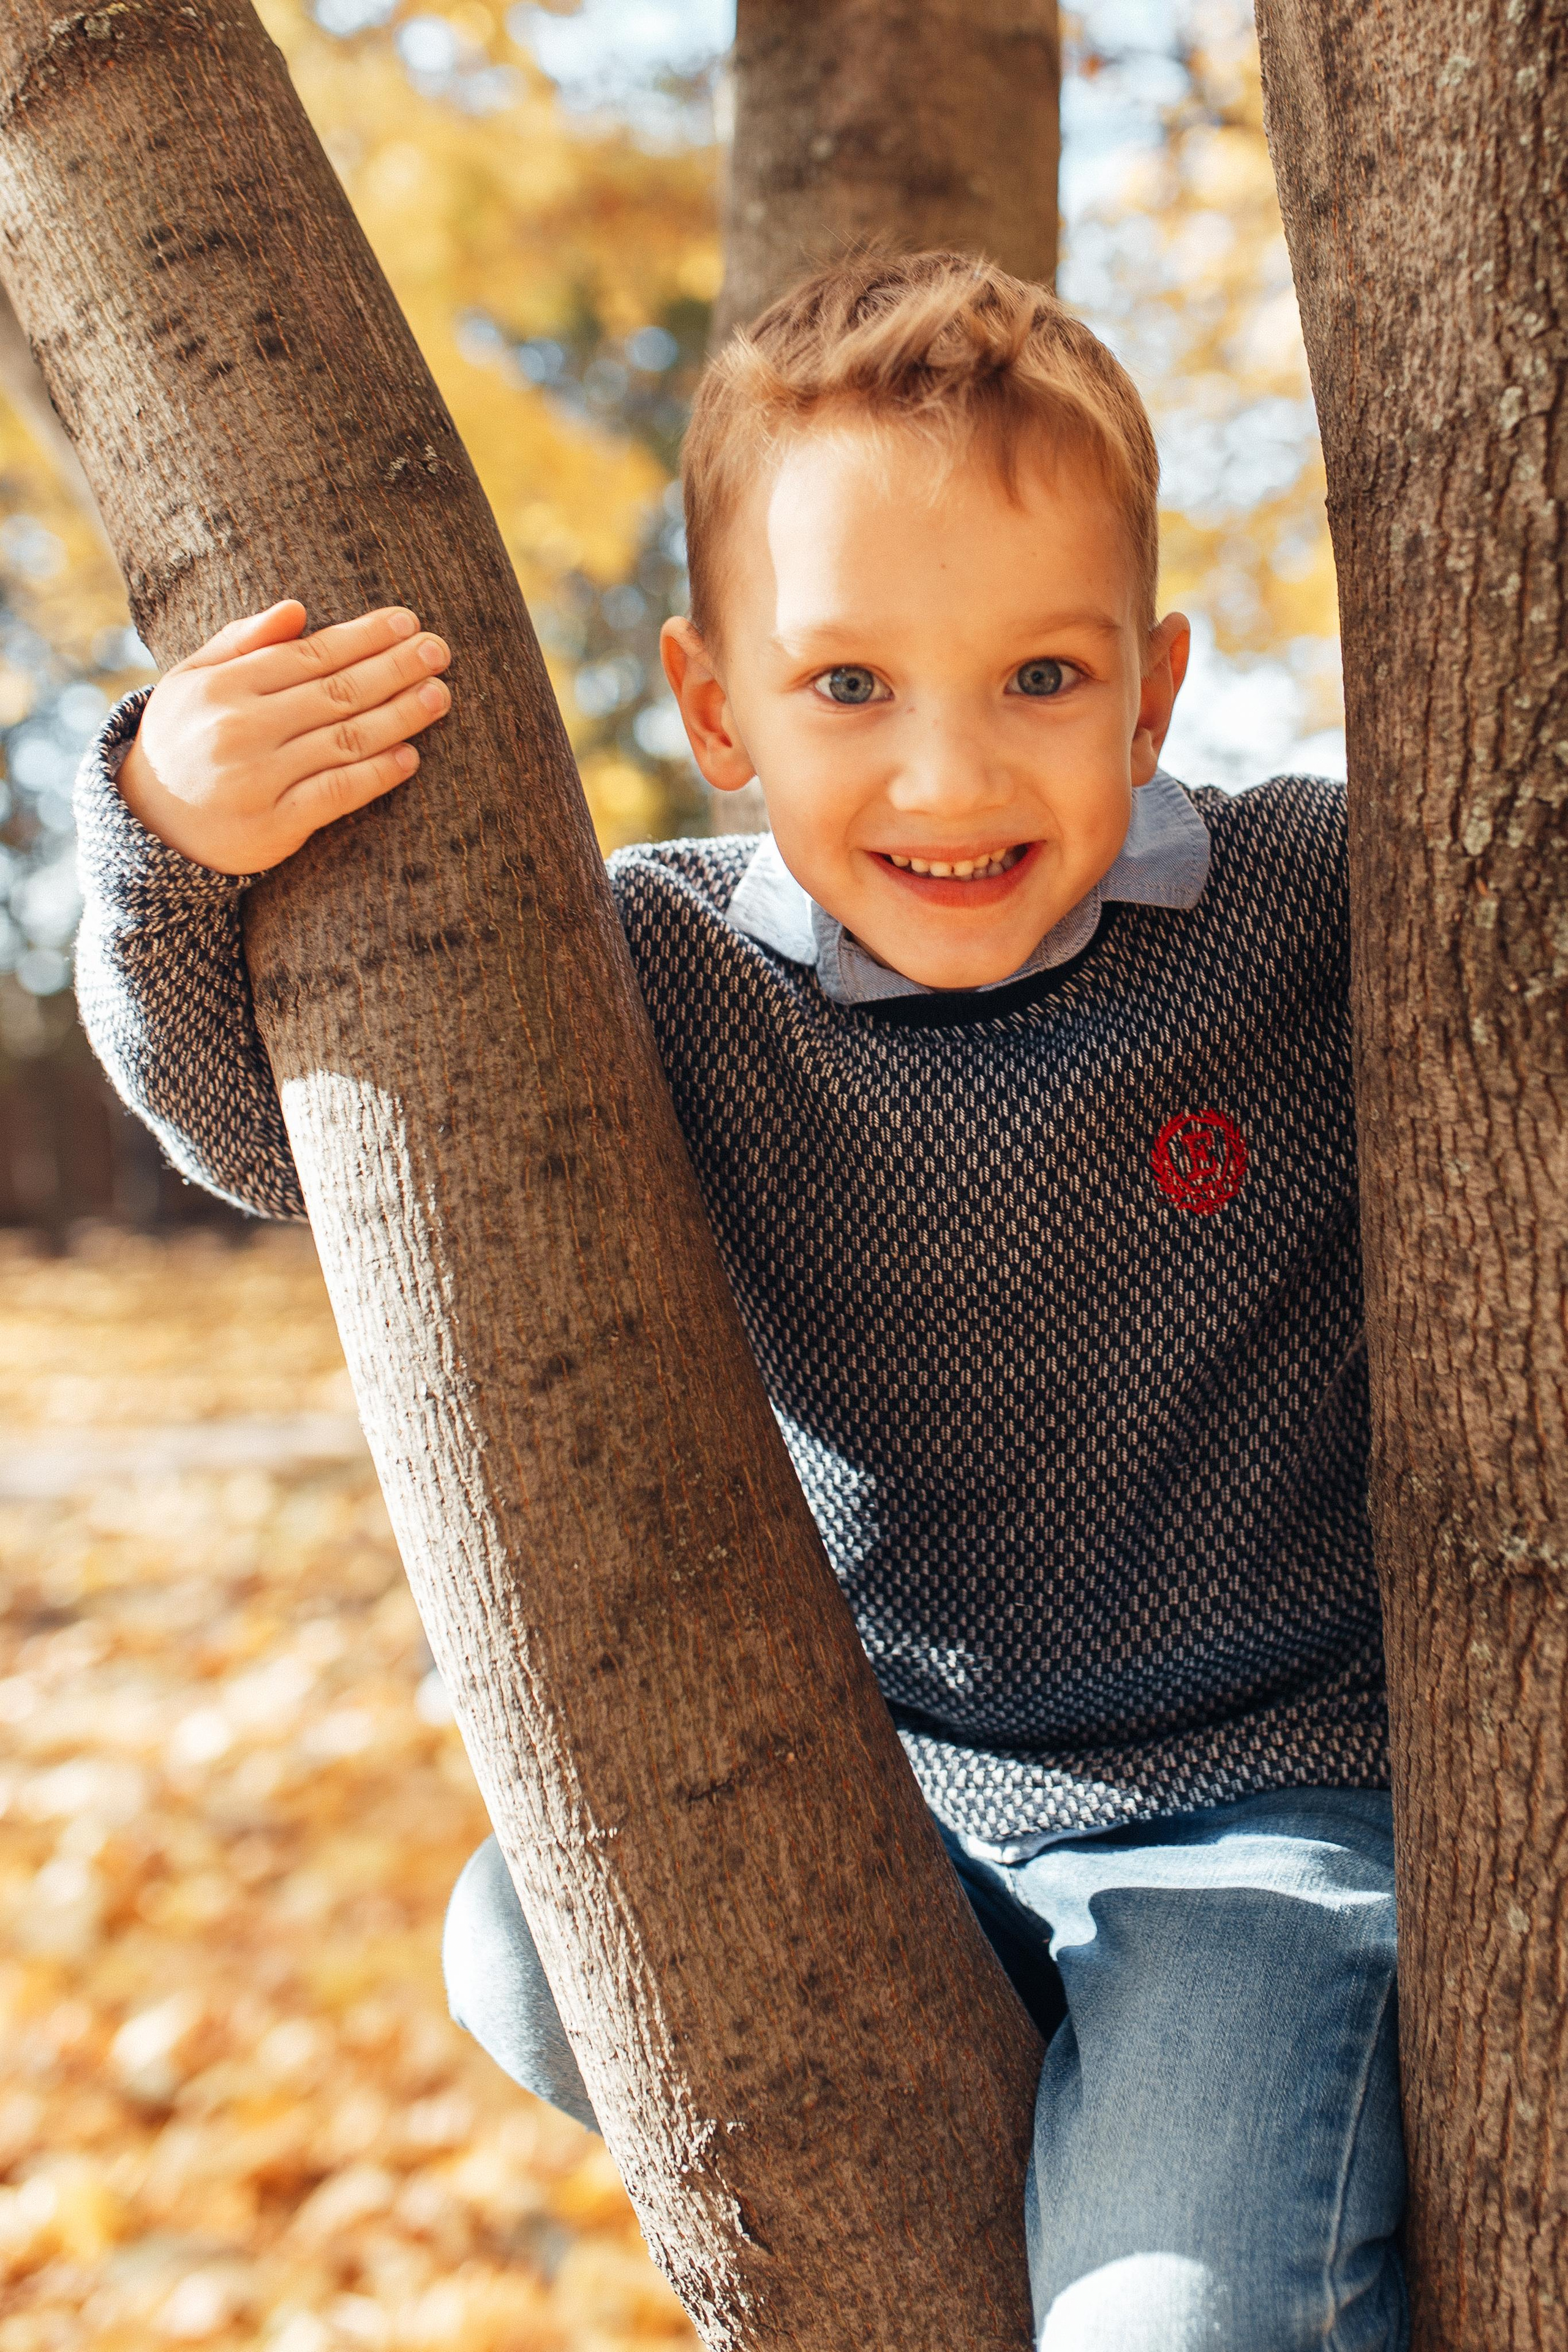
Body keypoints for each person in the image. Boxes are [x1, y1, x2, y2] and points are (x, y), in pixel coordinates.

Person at [74, 251, 1405, 2350]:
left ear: (1152, 693)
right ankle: (1068, 2148)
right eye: (848, 687)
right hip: (892, 1800)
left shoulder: (1304, 903)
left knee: (1179, 2322)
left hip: (1262, 1807)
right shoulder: (657, 976)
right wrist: (168, 840)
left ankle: (1166, 2175)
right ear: (714, 710)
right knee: (525, 1942)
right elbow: (284, 1137)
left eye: (1041, 680)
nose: (950, 782)